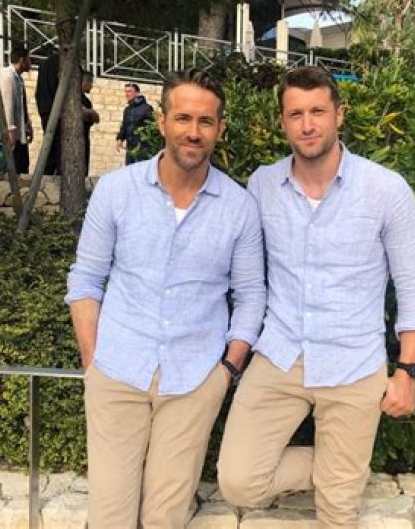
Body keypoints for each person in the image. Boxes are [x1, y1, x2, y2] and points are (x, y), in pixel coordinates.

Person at [217, 66, 415, 527]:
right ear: (282, 122)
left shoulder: (386, 189)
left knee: (337, 511)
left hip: (353, 361)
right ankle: (343, 469)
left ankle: (343, 476)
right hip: (279, 355)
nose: (308, 124)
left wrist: (408, 371)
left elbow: (414, 286)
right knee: (239, 481)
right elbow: (246, 276)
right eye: (295, 114)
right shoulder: (261, 186)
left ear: (339, 114)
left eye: (317, 111)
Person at [65, 68, 266, 528]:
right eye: (183, 118)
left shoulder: (239, 207)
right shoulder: (116, 191)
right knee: (110, 517)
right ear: (162, 122)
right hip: (117, 371)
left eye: (205, 121)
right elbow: (86, 279)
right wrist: (93, 362)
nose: (193, 132)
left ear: (219, 129)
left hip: (195, 380)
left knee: (165, 518)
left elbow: (251, 295)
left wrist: (226, 371)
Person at [0, 46, 32, 173]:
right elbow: (7, 104)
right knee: (13, 167)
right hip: (12, 134)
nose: (31, 63)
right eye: (28, 59)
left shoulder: (18, 78)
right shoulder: (8, 77)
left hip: (19, 132)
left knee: (22, 165)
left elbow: (21, 105)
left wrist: (28, 124)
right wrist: (10, 129)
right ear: (22, 60)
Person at [34, 52, 60, 175]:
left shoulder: (45, 65)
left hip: (46, 109)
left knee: (50, 147)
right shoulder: (59, 64)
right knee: (55, 149)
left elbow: (38, 93)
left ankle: (46, 174)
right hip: (55, 111)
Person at [116, 82, 154, 165]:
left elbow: (152, 126)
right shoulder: (127, 110)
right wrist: (120, 139)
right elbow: (124, 126)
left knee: (141, 170)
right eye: (126, 91)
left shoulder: (147, 108)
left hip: (142, 148)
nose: (127, 94)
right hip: (130, 147)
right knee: (129, 170)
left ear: (137, 93)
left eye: (130, 91)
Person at [81, 70, 100, 176]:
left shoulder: (87, 101)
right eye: (91, 82)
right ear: (85, 81)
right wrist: (89, 113)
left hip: (85, 137)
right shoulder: (74, 98)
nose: (92, 86)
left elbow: (96, 119)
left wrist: (90, 113)